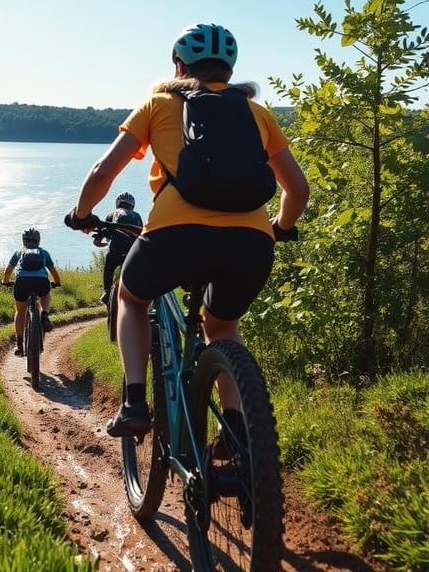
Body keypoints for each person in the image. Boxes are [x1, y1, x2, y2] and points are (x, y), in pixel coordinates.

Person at [66, 22, 309, 439]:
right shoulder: (258, 114)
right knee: (224, 327)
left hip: (174, 239)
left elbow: (103, 170)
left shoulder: (158, 104)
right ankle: (234, 429)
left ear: (179, 65)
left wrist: (83, 213)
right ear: (229, 71)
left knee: (132, 296)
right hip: (250, 244)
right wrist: (280, 227)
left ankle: (135, 403)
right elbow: (298, 189)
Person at [2, 227, 62, 356]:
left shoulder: (19, 252)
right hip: (41, 282)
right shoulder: (44, 252)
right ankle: (44, 314)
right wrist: (57, 282)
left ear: (23, 241)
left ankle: (19, 344)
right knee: (46, 293)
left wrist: (5, 281)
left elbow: (8, 270)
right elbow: (53, 271)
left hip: (22, 283)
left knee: (20, 311)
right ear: (38, 241)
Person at [95, 191, 144, 306]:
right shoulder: (136, 216)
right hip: (131, 251)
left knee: (109, 267)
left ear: (117, 204)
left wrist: (99, 241)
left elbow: (100, 235)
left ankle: (106, 291)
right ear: (132, 205)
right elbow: (141, 234)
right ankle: (134, 294)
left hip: (115, 249)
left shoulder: (111, 214)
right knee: (132, 273)